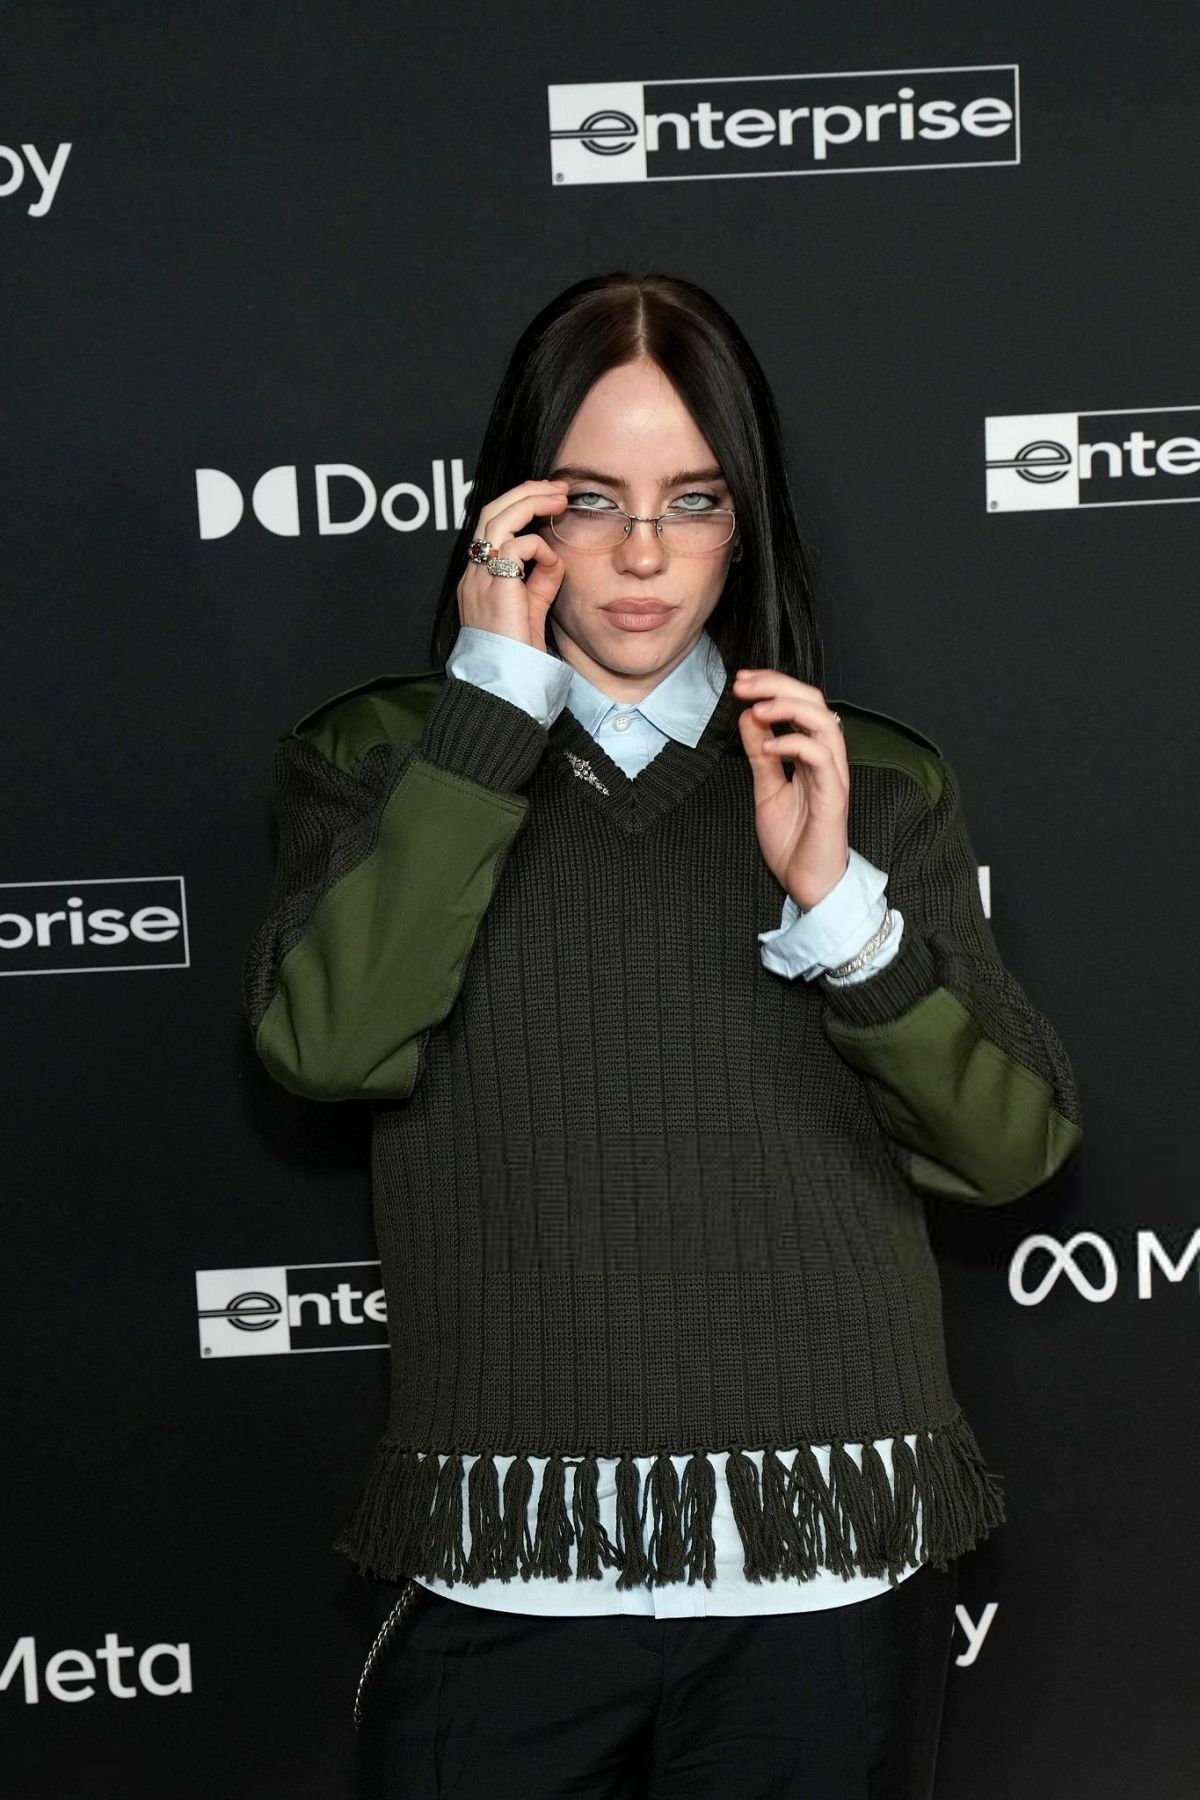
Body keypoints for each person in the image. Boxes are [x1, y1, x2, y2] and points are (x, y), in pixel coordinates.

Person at [241, 271, 1082, 1798]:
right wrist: (489, 716)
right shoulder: (381, 757)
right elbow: (327, 1045)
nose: (642, 554)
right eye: (591, 499)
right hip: (506, 1571)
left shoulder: (866, 778)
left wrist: (837, 904)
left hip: (823, 1572)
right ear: (513, 518)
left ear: (743, 521)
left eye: (692, 500)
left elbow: (1010, 1149)